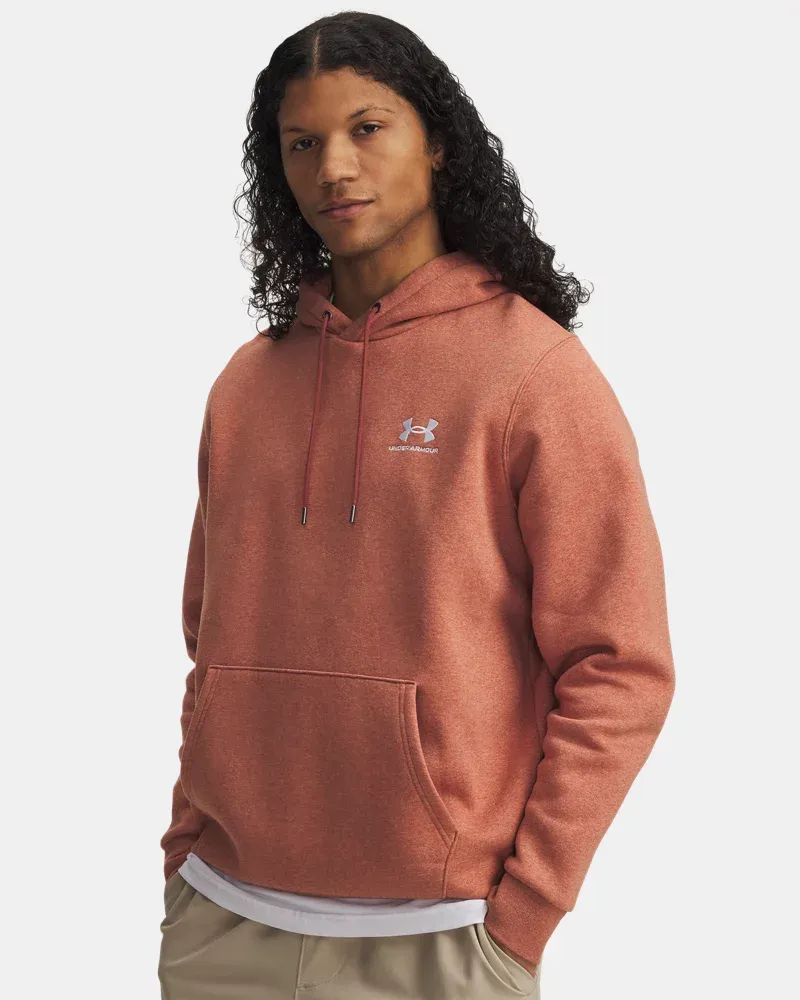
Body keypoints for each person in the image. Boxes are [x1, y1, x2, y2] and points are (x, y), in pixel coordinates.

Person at [158, 11, 676, 999]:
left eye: (367, 128)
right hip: (224, 923)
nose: (333, 168)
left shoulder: (531, 374)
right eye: (301, 143)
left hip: (440, 939)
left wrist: (525, 910)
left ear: (436, 142)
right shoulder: (246, 385)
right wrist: (185, 855)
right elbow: (209, 634)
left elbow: (620, 665)